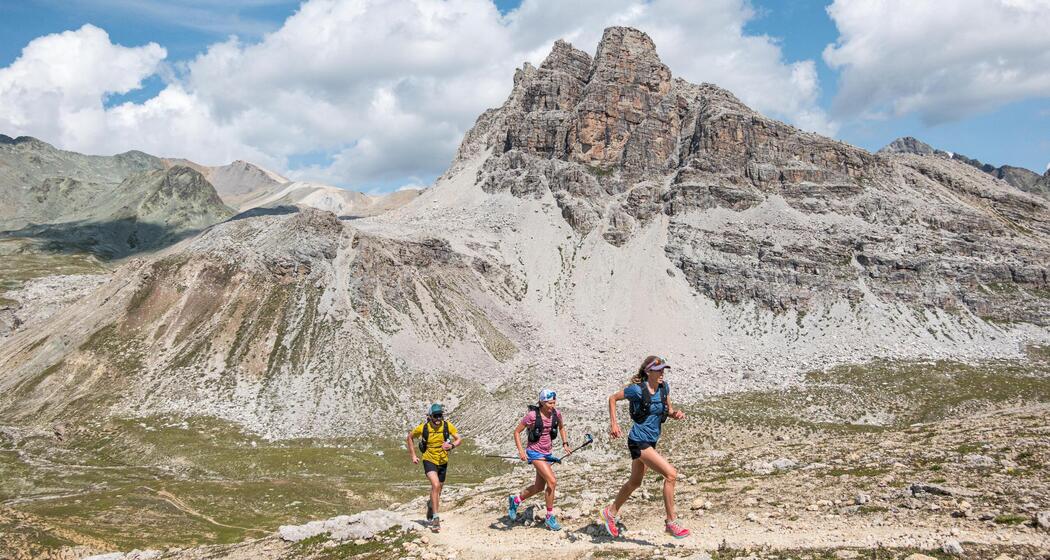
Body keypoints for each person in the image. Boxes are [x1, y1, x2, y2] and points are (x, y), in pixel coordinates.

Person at [599, 356, 690, 539]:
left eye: (664, 369)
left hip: (650, 441)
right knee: (671, 474)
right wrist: (614, 424)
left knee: (635, 482)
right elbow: (613, 398)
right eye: (659, 370)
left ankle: (610, 512)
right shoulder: (637, 390)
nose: (662, 373)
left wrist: (675, 414)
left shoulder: (664, 388)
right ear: (649, 372)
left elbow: (668, 410)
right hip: (638, 441)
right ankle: (671, 522)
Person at [506, 389, 568, 531]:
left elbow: (562, 427)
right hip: (534, 453)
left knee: (539, 487)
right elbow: (516, 432)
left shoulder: (556, 414)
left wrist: (565, 443)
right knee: (552, 481)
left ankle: (515, 500)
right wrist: (521, 451)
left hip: (547, 453)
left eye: (554, 402)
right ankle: (549, 517)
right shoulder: (532, 416)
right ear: (541, 402)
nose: (552, 405)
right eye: (549, 403)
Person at [407, 403, 462, 532]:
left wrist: (452, 446)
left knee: (439, 489)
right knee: (436, 485)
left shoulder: (447, 426)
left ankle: (431, 506)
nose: (438, 419)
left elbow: (459, 438)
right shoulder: (423, 428)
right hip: (429, 459)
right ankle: (436, 519)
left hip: (443, 460)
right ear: (430, 416)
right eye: (435, 416)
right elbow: (409, 437)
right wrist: (413, 456)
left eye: (440, 416)